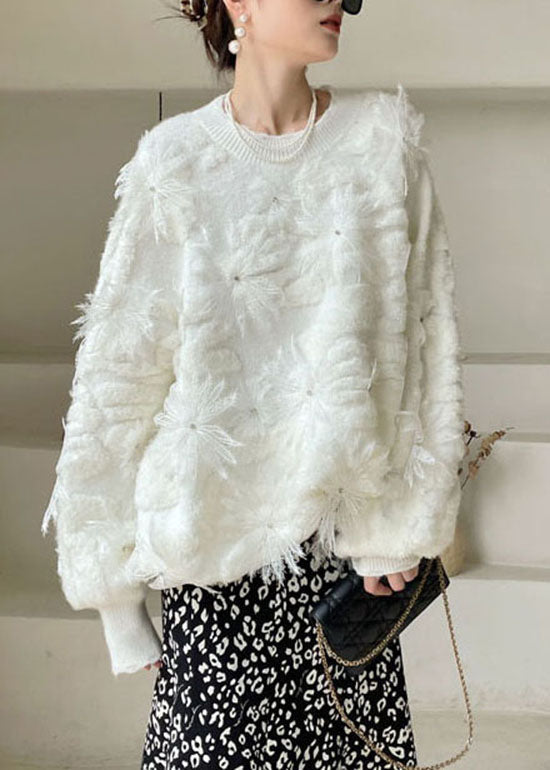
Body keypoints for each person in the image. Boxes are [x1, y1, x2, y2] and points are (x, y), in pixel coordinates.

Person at [41, 0, 465, 765]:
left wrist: (398, 527)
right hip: (212, 572)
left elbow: (426, 345)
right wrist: (114, 602)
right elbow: (116, 380)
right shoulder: (175, 162)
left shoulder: (383, 145)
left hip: (346, 573)